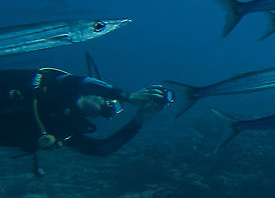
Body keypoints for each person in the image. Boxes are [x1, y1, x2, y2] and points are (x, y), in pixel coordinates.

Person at [0, 67, 172, 177]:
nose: (108, 106)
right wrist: (127, 96)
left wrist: (138, 120)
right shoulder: (55, 86)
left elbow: (102, 149)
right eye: (107, 100)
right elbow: (77, 81)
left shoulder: (66, 127)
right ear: (96, 92)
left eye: (109, 111)